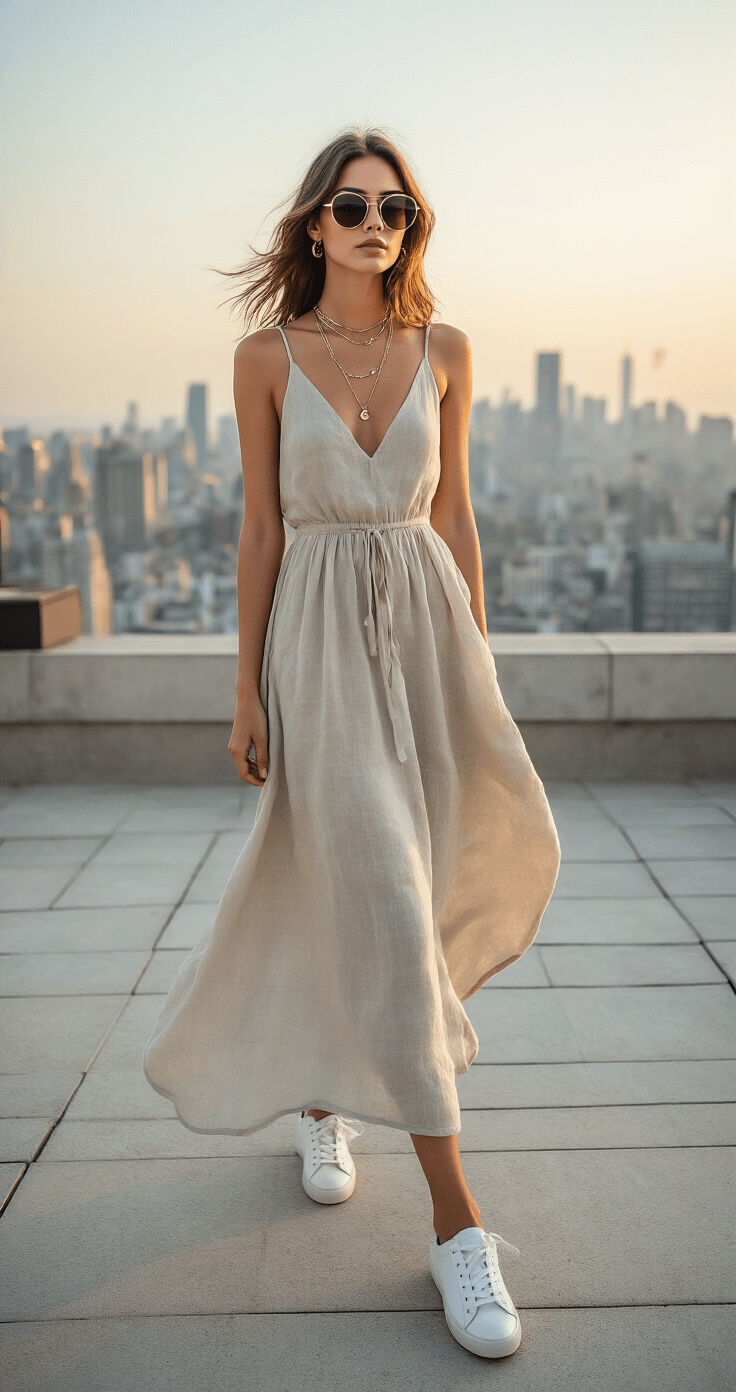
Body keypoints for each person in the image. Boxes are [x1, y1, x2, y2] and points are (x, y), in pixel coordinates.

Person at [143, 126, 561, 1360]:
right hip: (318, 641)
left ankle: (326, 1091)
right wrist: (245, 691)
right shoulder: (264, 358)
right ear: (313, 225)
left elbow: (455, 512)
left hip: (429, 638)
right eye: (349, 203)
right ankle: (457, 1226)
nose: (374, 220)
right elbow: (262, 534)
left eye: (395, 206)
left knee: (404, 889)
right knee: (375, 886)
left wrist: (476, 657)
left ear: (407, 226)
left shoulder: (447, 350)